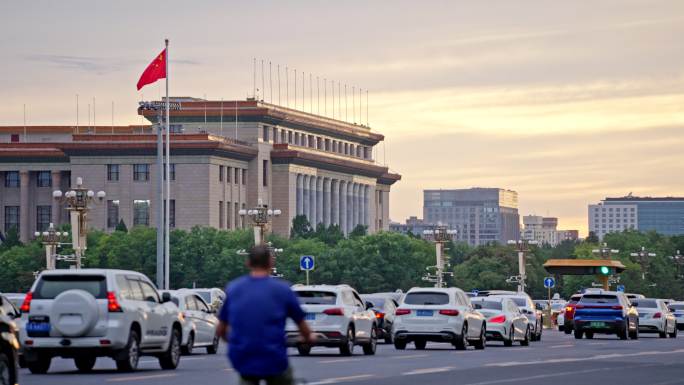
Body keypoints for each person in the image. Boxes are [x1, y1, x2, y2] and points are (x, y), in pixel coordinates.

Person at [217, 245, 314, 385]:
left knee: (246, 378)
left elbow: (221, 330)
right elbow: (302, 325)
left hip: (243, 358)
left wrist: (234, 342)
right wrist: (309, 338)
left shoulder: (234, 289)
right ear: (271, 263)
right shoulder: (283, 290)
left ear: (248, 263)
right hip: (274, 358)